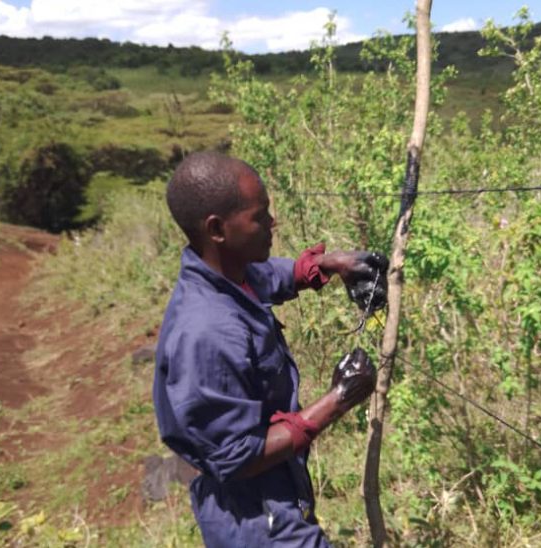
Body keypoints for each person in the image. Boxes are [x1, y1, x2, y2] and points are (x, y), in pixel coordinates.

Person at [153, 151, 388, 546]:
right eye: (259, 216)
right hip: (256, 513)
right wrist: (339, 399)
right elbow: (236, 457)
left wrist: (329, 265)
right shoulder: (208, 331)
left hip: (273, 487)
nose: (272, 223)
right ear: (217, 229)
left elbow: (268, 276)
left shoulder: (226, 274)